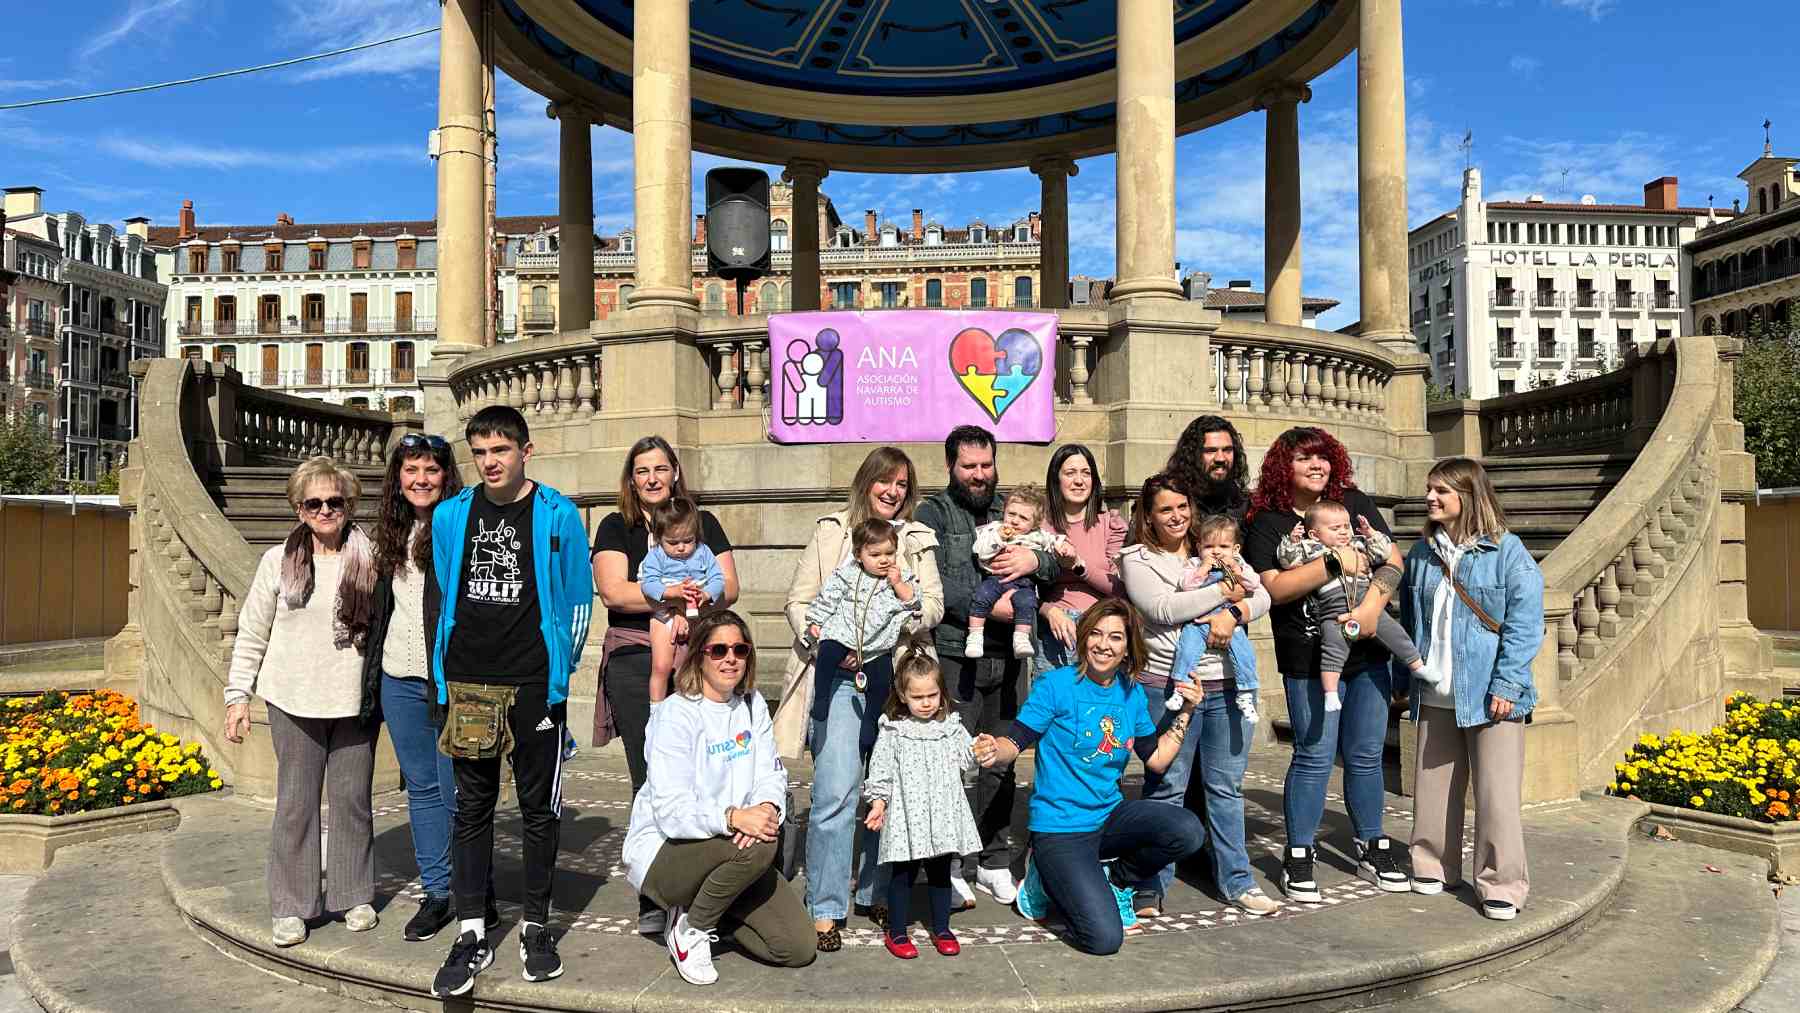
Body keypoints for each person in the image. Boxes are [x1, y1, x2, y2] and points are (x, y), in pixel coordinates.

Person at [428, 406, 594, 998]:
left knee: (537, 810)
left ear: (527, 450)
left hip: (533, 685)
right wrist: (441, 678)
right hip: (470, 680)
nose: (491, 461)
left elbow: (578, 597)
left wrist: (560, 677)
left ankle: (536, 925)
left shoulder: (557, 514)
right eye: (481, 451)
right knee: (470, 808)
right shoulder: (451, 516)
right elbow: (446, 594)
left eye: (502, 449)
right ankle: (472, 928)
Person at [770, 446, 943, 953]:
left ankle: (875, 890)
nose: (893, 492)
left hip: (897, 679)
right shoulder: (832, 532)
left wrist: (902, 613)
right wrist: (826, 642)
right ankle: (825, 906)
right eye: (884, 482)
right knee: (836, 790)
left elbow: (932, 605)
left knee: (887, 790)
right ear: (866, 482)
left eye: (903, 485)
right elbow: (798, 600)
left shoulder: (916, 538)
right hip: (840, 679)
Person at [971, 598, 1207, 956]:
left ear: (1128, 646)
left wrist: (1187, 711)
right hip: (1059, 828)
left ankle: (1117, 880)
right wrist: (994, 748)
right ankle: (1042, 875)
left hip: (1108, 817)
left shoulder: (1132, 693)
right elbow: (1015, 740)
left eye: (1115, 637)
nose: (1103, 644)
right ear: (1083, 639)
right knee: (1104, 939)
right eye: (1095, 634)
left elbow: (1156, 761)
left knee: (1187, 831)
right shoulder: (1055, 684)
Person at [1242, 426, 1411, 905]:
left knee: (1365, 753)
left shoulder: (1354, 505)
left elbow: (1392, 560)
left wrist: (1371, 610)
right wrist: (1335, 562)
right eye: (1304, 459)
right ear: (1284, 467)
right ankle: (1298, 853)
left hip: (1368, 650)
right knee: (1315, 754)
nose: (1317, 466)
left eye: (1323, 457)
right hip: (1308, 658)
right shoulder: (1268, 521)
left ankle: (1371, 844)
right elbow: (1274, 588)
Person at [223, 455, 379, 948]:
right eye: (314, 503)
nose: (326, 510)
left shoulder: (372, 557)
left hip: (354, 700)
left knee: (353, 802)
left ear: (350, 505)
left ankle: (353, 894)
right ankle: (292, 904)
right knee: (296, 804)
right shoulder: (276, 562)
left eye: (335, 501)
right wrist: (237, 696)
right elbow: (252, 632)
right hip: (293, 699)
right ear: (298, 508)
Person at [358, 433, 501, 942]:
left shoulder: (466, 525)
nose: (421, 480)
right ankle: (439, 892)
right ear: (398, 478)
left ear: (447, 476)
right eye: (412, 470)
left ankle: (473, 891)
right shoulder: (387, 534)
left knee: (460, 790)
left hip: (455, 682)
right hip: (399, 676)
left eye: (431, 470)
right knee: (421, 788)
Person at [624, 611, 816, 985]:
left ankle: (711, 906)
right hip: (667, 852)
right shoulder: (675, 714)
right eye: (719, 650)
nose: (731, 658)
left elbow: (770, 772)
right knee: (760, 847)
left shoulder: (751, 703)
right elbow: (670, 811)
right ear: (698, 655)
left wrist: (765, 808)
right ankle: (690, 929)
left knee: (796, 947)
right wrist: (732, 817)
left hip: (734, 846)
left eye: (740, 649)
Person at [1117, 474, 1276, 917]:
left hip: (1225, 684)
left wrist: (1237, 612)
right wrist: (1227, 595)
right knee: (1166, 786)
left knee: (1225, 788)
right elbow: (1164, 610)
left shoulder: (1212, 547)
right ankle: (1150, 882)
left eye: (1182, 507)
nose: (1176, 516)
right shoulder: (1137, 559)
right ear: (1148, 515)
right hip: (1167, 685)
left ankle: (1237, 880)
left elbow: (1262, 593)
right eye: (1165, 509)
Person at [916, 425, 1059, 907]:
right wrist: (996, 608)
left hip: (1010, 656)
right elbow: (935, 583)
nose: (980, 475)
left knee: (1002, 758)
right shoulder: (933, 513)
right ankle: (952, 862)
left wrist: (1031, 562)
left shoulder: (1012, 509)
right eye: (969, 466)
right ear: (951, 468)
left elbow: (1054, 562)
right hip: (959, 654)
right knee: (954, 762)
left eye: (986, 465)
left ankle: (994, 860)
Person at [1398, 458, 1543, 921]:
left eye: (1441, 490)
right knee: (1433, 788)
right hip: (1435, 690)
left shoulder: (1506, 551)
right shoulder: (1423, 553)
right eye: (1429, 489)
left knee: (1496, 794)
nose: (1430, 498)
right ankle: (1433, 864)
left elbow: (1525, 625)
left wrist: (1507, 682)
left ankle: (1502, 884)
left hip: (1489, 693)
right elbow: (1411, 619)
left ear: (1469, 496)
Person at [591, 436, 740, 792]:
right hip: (635, 656)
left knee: (705, 769)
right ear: (632, 480)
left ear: (675, 473)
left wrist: (692, 600)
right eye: (642, 471)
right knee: (651, 774)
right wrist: (675, 596)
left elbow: (730, 587)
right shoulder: (616, 526)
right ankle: (649, 846)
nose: (652, 478)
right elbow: (614, 593)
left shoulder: (703, 523)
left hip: (698, 654)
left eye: (660, 468)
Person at [862, 634, 981, 959]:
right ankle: (897, 931)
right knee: (904, 872)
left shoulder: (951, 726)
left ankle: (942, 928)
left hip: (942, 811)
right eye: (918, 697)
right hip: (907, 814)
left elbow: (966, 757)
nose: (926, 702)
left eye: (932, 695)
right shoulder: (894, 729)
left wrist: (980, 749)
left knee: (942, 870)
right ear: (903, 695)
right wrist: (878, 802)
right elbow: (881, 770)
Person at [1276, 501, 1425, 713]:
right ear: (1315, 534)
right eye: (1335, 528)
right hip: (1333, 611)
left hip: (1367, 602)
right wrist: (1292, 541)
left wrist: (1371, 534)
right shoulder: (1310, 548)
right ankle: (1330, 693)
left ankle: (1418, 666)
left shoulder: (1357, 544)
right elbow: (1287, 562)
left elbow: (1382, 554)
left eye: (1346, 526)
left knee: (1395, 633)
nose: (1343, 532)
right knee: (1332, 650)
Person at [802, 519, 922, 756]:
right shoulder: (847, 574)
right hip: (844, 633)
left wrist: (897, 584)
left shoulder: (900, 577)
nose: (884, 559)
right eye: (875, 554)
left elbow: (914, 602)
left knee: (881, 686)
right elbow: (828, 597)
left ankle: (870, 725)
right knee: (828, 650)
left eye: (889, 553)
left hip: (877, 646)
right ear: (859, 555)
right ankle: (822, 699)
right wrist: (814, 622)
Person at [1165, 514, 1264, 726]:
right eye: (1209, 546)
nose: (1216, 551)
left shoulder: (1240, 564)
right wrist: (1203, 570)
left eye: (1223, 546)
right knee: (1186, 649)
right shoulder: (1194, 564)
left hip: (1229, 621)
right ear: (1199, 547)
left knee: (1244, 653)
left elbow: (1255, 584)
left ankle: (1246, 692)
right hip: (1197, 621)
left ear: (1235, 550)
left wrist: (1237, 570)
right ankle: (1180, 687)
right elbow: (1186, 587)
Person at [1037, 443, 1127, 671]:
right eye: (1070, 473)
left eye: (1086, 473)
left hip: (1102, 630)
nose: (1079, 481)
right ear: (1055, 479)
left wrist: (1079, 565)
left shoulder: (1111, 525)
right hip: (1055, 630)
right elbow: (1024, 587)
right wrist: (1049, 610)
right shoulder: (1039, 527)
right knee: (1056, 703)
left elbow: (1120, 588)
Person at [637, 496, 727, 703]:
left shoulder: (703, 552)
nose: (681, 548)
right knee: (661, 665)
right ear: (659, 538)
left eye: (688, 541)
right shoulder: (656, 556)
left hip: (698, 612)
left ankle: (699, 704)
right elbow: (648, 584)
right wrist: (672, 593)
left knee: (699, 661)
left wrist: (706, 594)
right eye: (673, 542)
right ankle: (656, 709)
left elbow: (718, 578)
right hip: (664, 614)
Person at [964, 483, 1062, 659]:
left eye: (1023, 518)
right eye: (1012, 514)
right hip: (996, 578)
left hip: (1024, 583)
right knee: (982, 595)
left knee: (1027, 602)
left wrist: (1063, 547)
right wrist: (998, 538)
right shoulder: (994, 529)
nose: (1015, 521)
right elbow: (979, 550)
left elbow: (1054, 544)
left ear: (1035, 523)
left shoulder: (1038, 535)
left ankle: (1021, 639)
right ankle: (975, 636)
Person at [1165, 415, 1251, 522]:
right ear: (1192, 455)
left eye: (1227, 450)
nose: (1220, 458)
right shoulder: (1173, 499)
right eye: (1211, 451)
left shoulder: (1244, 506)